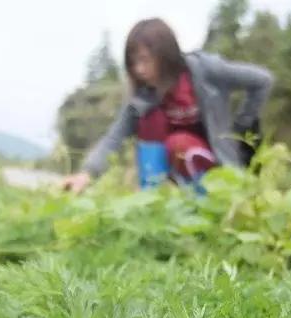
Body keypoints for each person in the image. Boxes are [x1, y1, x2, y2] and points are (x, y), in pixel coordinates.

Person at [61, 18, 274, 193]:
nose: (139, 70)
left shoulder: (205, 71)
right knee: (153, 122)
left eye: (144, 60)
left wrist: (241, 128)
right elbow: (114, 137)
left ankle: (207, 199)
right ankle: (153, 198)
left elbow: (262, 80)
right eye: (133, 63)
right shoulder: (143, 97)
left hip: (217, 162)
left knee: (178, 142)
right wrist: (87, 173)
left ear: (165, 55)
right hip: (173, 168)